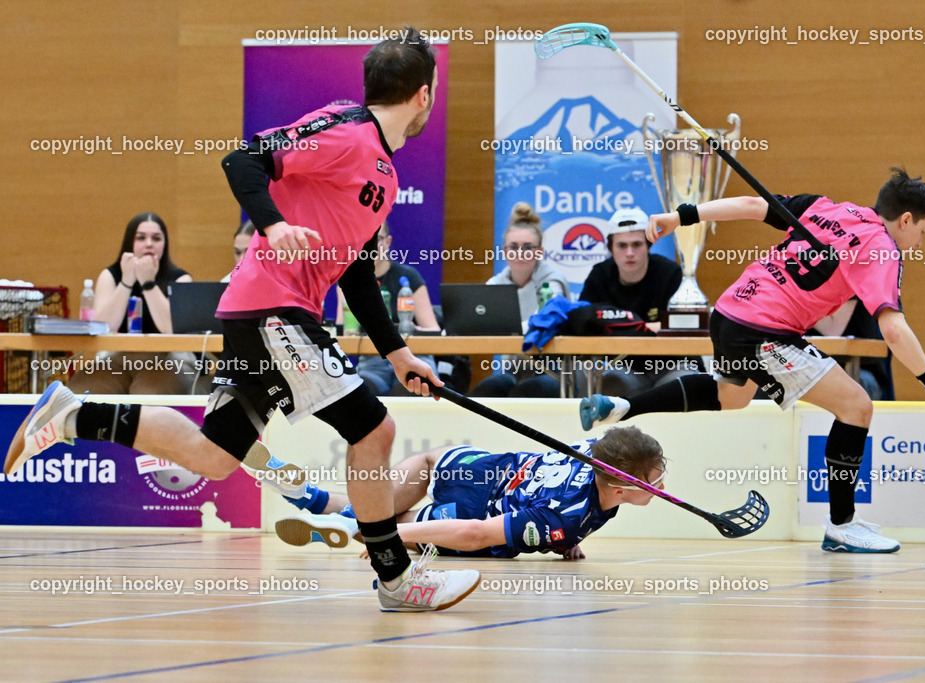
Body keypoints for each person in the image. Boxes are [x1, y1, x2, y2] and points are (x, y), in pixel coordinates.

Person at [6, 28, 479, 612]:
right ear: (424, 96)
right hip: (271, 309)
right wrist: (275, 226)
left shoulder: (382, 174)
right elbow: (243, 160)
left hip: (268, 313)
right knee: (373, 430)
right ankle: (396, 579)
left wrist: (399, 352)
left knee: (216, 454)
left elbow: (356, 272)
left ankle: (77, 415)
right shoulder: (344, 131)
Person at [579, 168, 925, 553]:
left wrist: (680, 216)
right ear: (906, 219)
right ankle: (842, 526)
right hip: (763, 329)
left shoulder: (828, 208)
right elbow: (893, 328)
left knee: (733, 396)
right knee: (857, 406)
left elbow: (750, 205)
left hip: (729, 311)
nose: (919, 243)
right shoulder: (881, 249)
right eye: (923, 232)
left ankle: (623, 406)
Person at [243, 426, 666, 560]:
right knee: (396, 525)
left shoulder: (596, 452)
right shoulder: (566, 516)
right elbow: (476, 535)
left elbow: (568, 513)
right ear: (623, 488)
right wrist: (384, 539)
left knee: (429, 461)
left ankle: (309, 498)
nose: (661, 483)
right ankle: (345, 522)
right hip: (479, 516)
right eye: (653, 477)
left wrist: (565, 541)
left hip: (491, 468)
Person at [69, 212, 203, 394]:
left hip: (168, 357)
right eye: (141, 238)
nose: (149, 244)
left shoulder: (180, 279)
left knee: (148, 395)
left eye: (156, 238)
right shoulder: (110, 276)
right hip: (118, 355)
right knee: (80, 390)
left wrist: (148, 283)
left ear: (165, 244)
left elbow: (171, 329)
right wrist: (126, 281)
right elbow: (103, 327)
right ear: (129, 243)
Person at [578, 207, 701, 396]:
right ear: (610, 248)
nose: (629, 252)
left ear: (649, 245)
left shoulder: (670, 273)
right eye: (622, 245)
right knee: (607, 383)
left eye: (637, 244)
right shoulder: (599, 275)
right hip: (623, 366)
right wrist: (646, 327)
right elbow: (582, 321)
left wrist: (621, 325)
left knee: (685, 382)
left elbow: (689, 324)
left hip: (672, 363)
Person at [472, 202, 570, 398]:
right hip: (513, 369)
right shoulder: (495, 284)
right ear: (504, 250)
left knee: (527, 391)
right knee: (486, 390)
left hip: (552, 370)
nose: (520, 253)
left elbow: (543, 322)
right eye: (513, 247)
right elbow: (481, 325)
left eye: (527, 247)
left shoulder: (553, 281)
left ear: (539, 251)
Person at [354, 220, 441, 396]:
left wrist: (413, 330)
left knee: (411, 389)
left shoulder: (409, 277)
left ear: (388, 242)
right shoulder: (351, 281)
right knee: (361, 391)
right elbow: (346, 332)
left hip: (414, 356)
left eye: (377, 239)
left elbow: (434, 330)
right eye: (366, 239)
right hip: (372, 363)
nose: (372, 246)